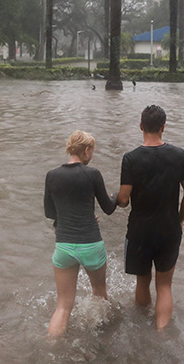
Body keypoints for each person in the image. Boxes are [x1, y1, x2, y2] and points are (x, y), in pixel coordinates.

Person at [116, 104, 184, 330]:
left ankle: (141, 332)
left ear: (141, 126)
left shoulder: (130, 158)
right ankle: (161, 334)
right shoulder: (178, 155)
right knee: (164, 286)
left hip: (140, 230)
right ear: (163, 127)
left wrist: (115, 197)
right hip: (169, 229)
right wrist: (179, 219)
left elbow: (123, 199)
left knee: (143, 281)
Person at [43, 130, 117, 337]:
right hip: (91, 244)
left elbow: (50, 213)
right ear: (86, 150)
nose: (91, 155)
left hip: (64, 247)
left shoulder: (52, 175)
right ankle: (102, 339)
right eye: (91, 151)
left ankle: (52, 349)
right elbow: (108, 208)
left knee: (63, 307)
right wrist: (116, 195)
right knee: (100, 295)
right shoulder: (92, 174)